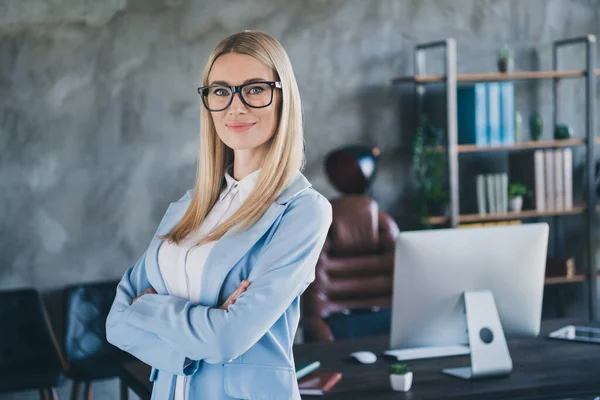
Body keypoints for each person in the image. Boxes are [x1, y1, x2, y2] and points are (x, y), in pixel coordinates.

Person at [106, 30, 332, 399]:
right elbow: (116, 323)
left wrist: (145, 306)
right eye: (221, 91)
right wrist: (201, 329)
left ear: (283, 97)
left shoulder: (303, 211)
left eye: (255, 89)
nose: (235, 106)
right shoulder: (190, 205)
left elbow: (227, 340)